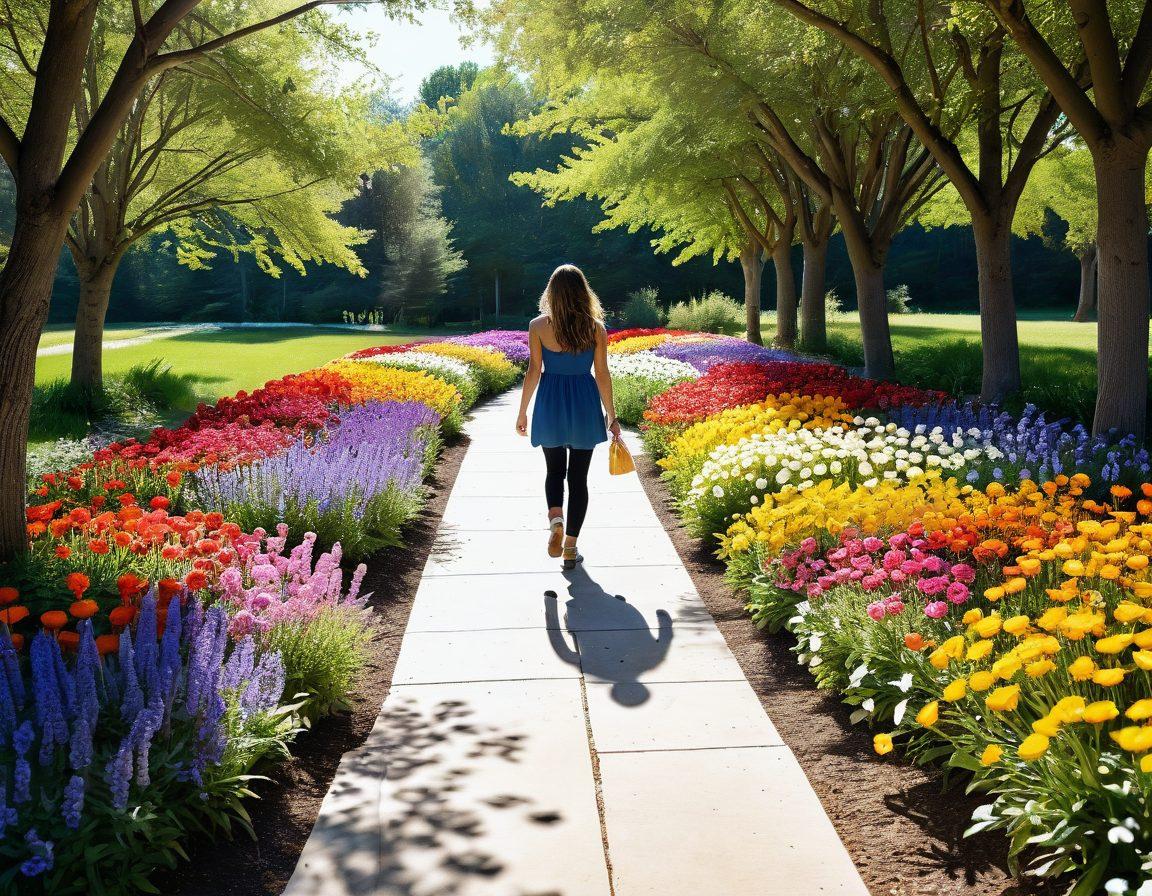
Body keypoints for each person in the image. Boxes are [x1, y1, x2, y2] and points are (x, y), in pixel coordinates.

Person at [516, 264, 621, 570]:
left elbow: (534, 371)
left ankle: (555, 520)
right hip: (584, 404)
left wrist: (522, 411)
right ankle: (571, 547)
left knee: (553, 472)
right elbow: (602, 373)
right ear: (582, 292)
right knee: (578, 479)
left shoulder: (538, 326)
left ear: (551, 293)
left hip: (550, 402)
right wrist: (611, 415)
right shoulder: (595, 328)